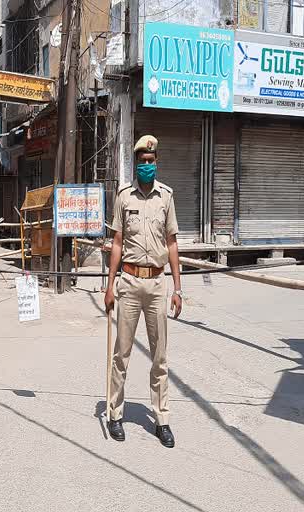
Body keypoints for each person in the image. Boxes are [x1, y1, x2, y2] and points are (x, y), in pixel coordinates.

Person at [104, 135, 183, 448]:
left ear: (156, 161)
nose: (147, 165)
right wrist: (109, 286)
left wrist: (177, 288)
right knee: (121, 353)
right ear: (136, 163)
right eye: (142, 161)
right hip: (130, 282)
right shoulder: (124, 197)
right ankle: (114, 413)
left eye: (151, 161)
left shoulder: (166, 196)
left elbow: (172, 242)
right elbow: (117, 244)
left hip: (157, 284)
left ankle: (162, 418)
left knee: (159, 357)